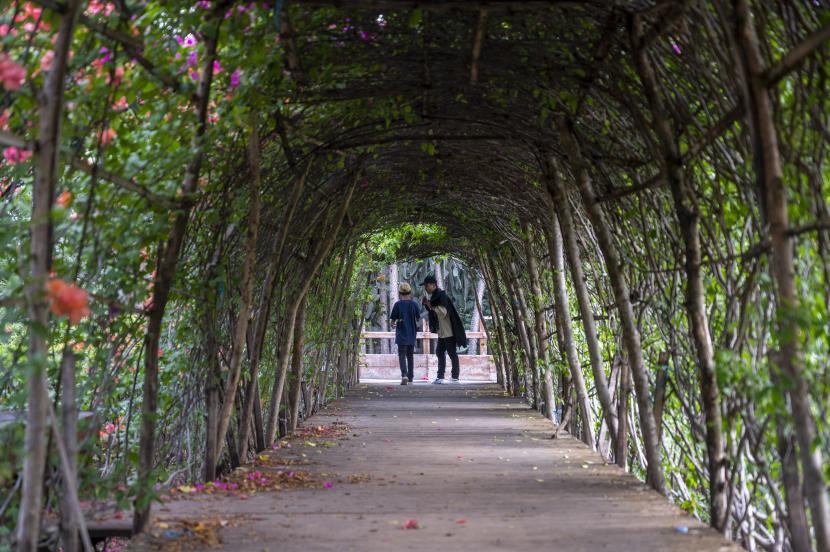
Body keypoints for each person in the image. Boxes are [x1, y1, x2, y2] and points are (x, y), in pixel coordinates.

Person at [420, 275, 467, 384]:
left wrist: (429, 305)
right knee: (440, 352)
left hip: (448, 330)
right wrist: (428, 305)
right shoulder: (435, 296)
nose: (426, 288)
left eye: (427, 286)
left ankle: (455, 377)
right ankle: (440, 377)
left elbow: (443, 312)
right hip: (442, 331)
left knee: (451, 353)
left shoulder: (442, 296)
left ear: (433, 285)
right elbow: (434, 311)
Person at [390, 282, 420, 385]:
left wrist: (393, 324)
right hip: (411, 333)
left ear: (399, 293)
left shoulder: (397, 304)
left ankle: (404, 375)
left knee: (402, 355)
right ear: (410, 292)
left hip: (401, 333)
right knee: (410, 355)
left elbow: (392, 321)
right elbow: (417, 318)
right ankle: (411, 377)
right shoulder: (414, 304)